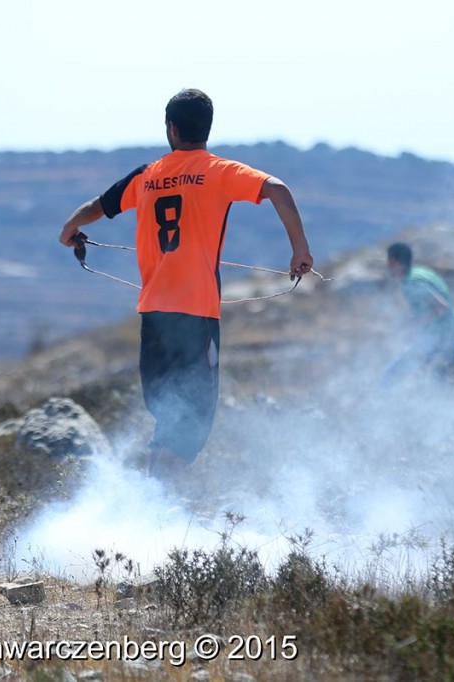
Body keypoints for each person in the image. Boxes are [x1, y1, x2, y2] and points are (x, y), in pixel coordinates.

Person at [59, 88, 313, 475]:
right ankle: (157, 509)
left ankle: (150, 507)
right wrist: (300, 251)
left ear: (172, 129)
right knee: (191, 423)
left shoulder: (146, 176)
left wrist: (70, 228)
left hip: (154, 316)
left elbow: (98, 206)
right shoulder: (220, 172)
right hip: (195, 315)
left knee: (169, 419)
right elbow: (277, 189)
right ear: (205, 129)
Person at [384, 242, 454, 383]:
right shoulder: (422, 273)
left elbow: (440, 306)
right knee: (436, 380)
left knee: (392, 375)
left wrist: (414, 324)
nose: (388, 266)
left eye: (389, 261)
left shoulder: (412, 282)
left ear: (394, 262)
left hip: (444, 339)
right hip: (452, 335)